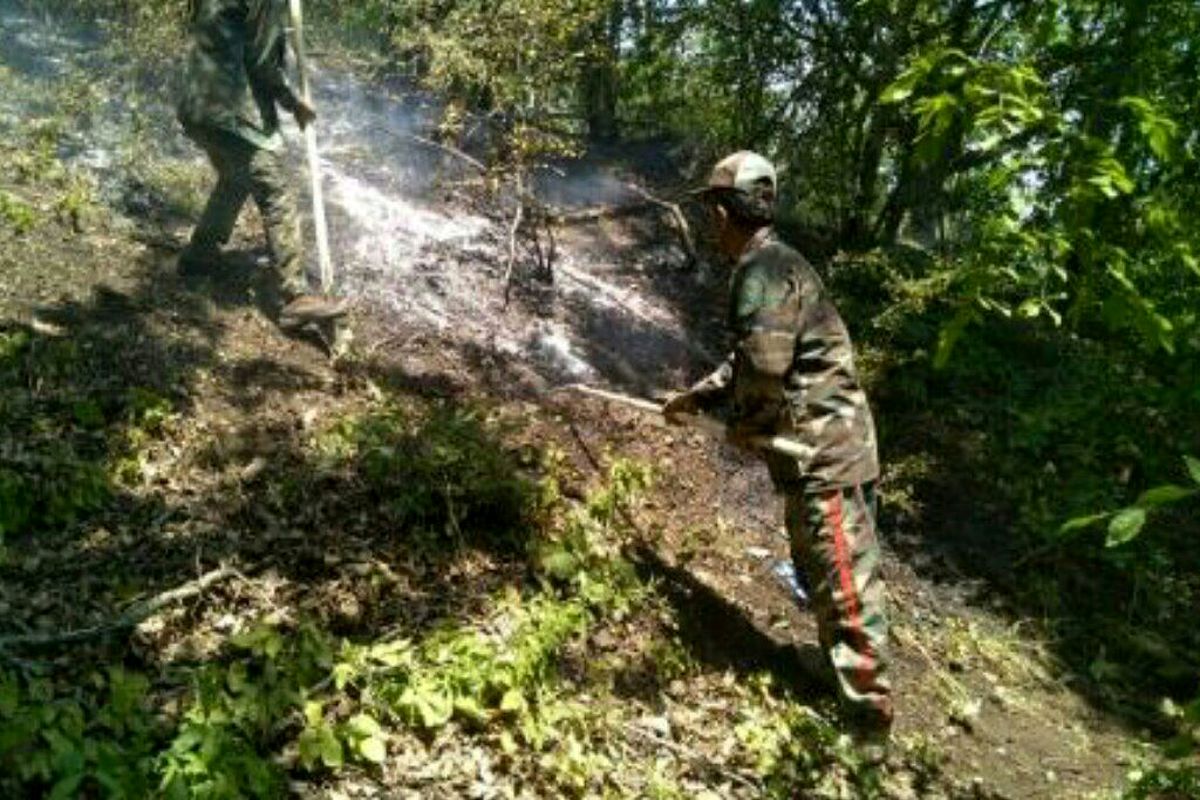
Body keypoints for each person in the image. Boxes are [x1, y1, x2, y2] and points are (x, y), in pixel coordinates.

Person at [664, 151, 893, 758]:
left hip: (826, 450)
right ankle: (839, 671)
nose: (711, 224)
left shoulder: (760, 270)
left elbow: (765, 372)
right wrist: (699, 396)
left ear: (726, 209)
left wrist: (745, 422)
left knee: (843, 577)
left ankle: (868, 725)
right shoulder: (775, 263)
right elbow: (751, 359)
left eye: (713, 209)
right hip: (827, 446)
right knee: (823, 566)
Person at [176, 0, 345, 328]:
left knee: (235, 179)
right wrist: (293, 102)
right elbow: (262, 60)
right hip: (230, 111)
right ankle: (295, 297)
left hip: (196, 104)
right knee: (275, 189)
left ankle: (198, 257)